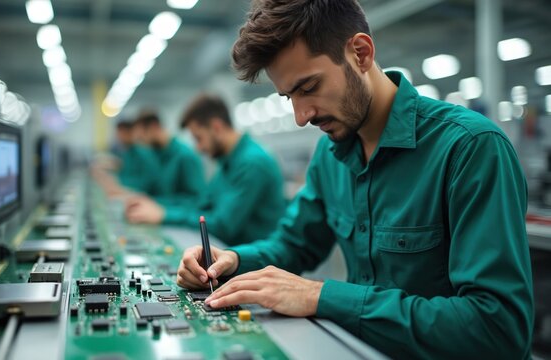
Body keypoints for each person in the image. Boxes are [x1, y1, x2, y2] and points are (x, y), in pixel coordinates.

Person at [175, 1, 534, 358]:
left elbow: (497, 327)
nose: (301, 116)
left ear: (360, 53)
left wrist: (320, 296)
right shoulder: (331, 156)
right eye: (289, 97)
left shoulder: (470, 148)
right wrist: (232, 260)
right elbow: (295, 244)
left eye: (309, 87)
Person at [126, 94, 285, 246]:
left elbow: (223, 226)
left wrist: (164, 215)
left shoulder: (252, 163)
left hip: (256, 265)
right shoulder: (228, 162)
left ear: (216, 127)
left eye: (198, 138)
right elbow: (201, 204)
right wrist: (157, 205)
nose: (198, 147)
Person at [132, 109, 204, 207]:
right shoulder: (157, 155)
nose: (142, 144)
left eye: (142, 137)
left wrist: (156, 203)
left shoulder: (185, 156)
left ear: (153, 127)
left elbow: (197, 201)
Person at [92, 118, 158, 197]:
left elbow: (149, 181)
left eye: (121, 133)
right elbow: (124, 175)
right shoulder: (127, 153)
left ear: (130, 132)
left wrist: (120, 186)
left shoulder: (143, 153)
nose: (119, 137)